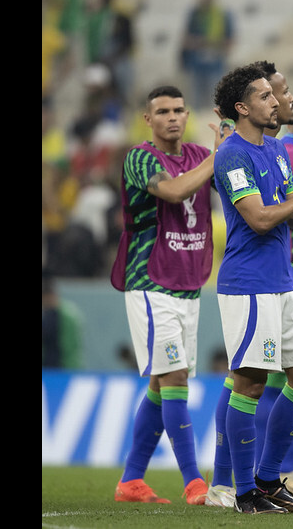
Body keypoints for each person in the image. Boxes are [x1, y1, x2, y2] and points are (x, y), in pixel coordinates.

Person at [209, 62, 293, 515]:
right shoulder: (232, 155)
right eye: (266, 96)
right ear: (242, 107)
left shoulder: (274, 149)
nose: (276, 102)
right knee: (249, 385)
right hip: (248, 285)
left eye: (275, 94)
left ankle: (269, 480)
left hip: (284, 283)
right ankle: (244, 493)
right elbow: (259, 219)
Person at [109, 85, 226, 505]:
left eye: (178, 110)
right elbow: (174, 192)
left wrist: (232, 150)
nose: (172, 117)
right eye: (162, 111)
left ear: (187, 114)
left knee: (163, 383)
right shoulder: (140, 157)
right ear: (148, 119)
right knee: (174, 376)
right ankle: (194, 483)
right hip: (149, 281)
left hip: (189, 281)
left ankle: (131, 481)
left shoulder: (199, 154)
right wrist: (217, 157)